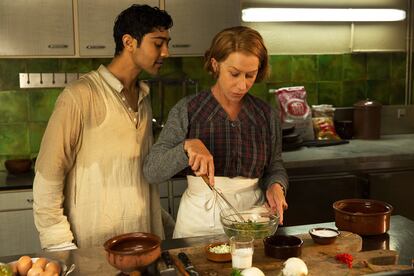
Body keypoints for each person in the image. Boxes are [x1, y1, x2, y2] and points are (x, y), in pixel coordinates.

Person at [33, 4, 173, 250]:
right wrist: (59, 245)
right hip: (93, 245)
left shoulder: (144, 96)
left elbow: (136, 175)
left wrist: (165, 226)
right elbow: (48, 174)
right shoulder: (79, 96)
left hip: (142, 242)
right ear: (129, 42)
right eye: (158, 43)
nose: (166, 52)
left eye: (167, 43)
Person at [143, 26, 288, 238]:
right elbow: (152, 171)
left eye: (250, 75)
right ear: (215, 64)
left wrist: (277, 185)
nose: (242, 85)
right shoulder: (187, 110)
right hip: (198, 224)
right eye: (234, 73)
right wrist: (186, 147)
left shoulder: (266, 115)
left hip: (253, 219)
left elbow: (275, 166)